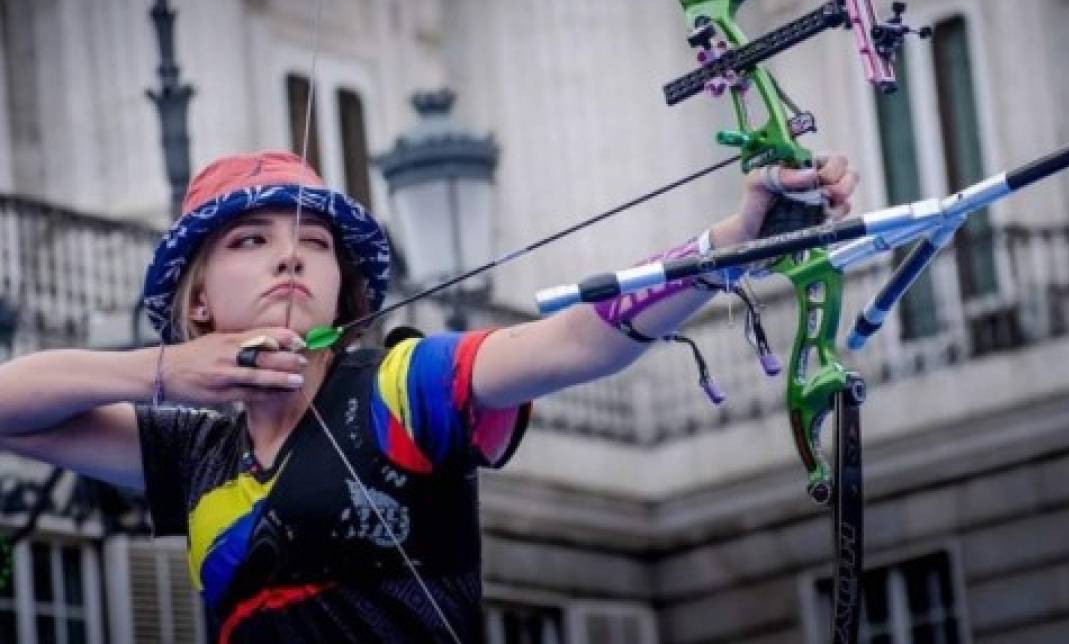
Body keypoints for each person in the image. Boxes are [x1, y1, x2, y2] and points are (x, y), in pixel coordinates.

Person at [0, 148, 857, 642]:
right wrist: (161, 374)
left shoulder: (396, 387)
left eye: (316, 244)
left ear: (345, 285)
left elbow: (570, 342)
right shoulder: (193, 455)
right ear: (198, 298)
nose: (291, 258)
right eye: (251, 241)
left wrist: (729, 246)